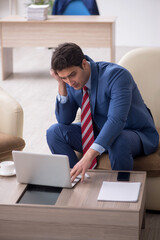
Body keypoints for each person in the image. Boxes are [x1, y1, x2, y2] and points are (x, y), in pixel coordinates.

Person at [46, 42, 159, 182]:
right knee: (54, 132)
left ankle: (121, 190)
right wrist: (61, 84)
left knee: (118, 140)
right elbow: (64, 120)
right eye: (64, 77)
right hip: (97, 131)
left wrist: (88, 156)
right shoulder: (69, 82)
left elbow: (116, 121)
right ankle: (75, 180)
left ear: (84, 64)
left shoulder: (117, 76)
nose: (70, 82)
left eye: (72, 75)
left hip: (134, 133)